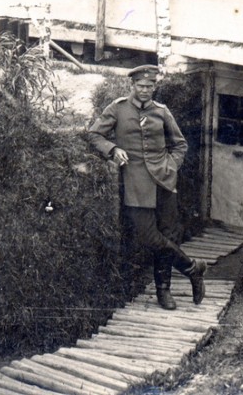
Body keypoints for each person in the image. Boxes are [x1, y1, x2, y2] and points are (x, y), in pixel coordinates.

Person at [87, 64, 207, 311]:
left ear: (155, 87)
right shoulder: (118, 108)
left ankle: (164, 291)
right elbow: (94, 135)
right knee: (149, 236)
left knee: (169, 235)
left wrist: (171, 167)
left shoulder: (162, 112)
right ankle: (193, 269)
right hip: (136, 183)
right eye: (140, 86)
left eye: (149, 86)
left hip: (164, 182)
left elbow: (180, 145)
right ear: (132, 86)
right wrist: (113, 149)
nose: (144, 90)